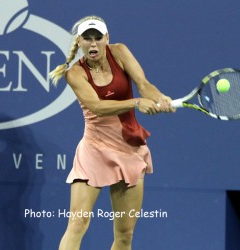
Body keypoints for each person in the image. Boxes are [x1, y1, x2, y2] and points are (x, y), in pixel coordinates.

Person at [49, 16, 175, 250]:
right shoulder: (74, 73)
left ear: (107, 38)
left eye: (98, 38)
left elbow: (144, 84)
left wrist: (159, 98)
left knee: (124, 236)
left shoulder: (120, 52)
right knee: (77, 223)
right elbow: (97, 106)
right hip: (94, 150)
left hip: (129, 149)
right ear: (79, 41)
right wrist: (137, 103)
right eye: (87, 38)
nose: (93, 44)